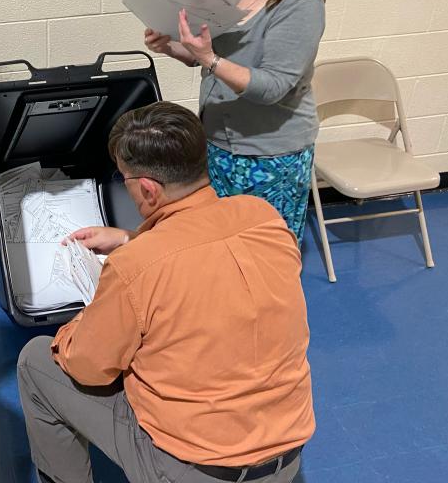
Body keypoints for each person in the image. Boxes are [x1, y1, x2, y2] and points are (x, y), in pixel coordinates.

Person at [18, 101, 314, 483]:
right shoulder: (264, 219)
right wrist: (129, 239)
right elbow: (202, 257)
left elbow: (88, 367)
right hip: (286, 457)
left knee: (35, 361)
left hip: (192, 469)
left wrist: (83, 322)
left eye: (122, 177)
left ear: (147, 188)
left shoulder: (136, 268)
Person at [144, 0, 326, 245]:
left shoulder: (301, 1)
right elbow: (210, 59)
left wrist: (209, 58)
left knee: (264, 250)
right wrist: (171, 47)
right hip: (218, 143)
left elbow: (272, 87)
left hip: (269, 153)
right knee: (221, 244)